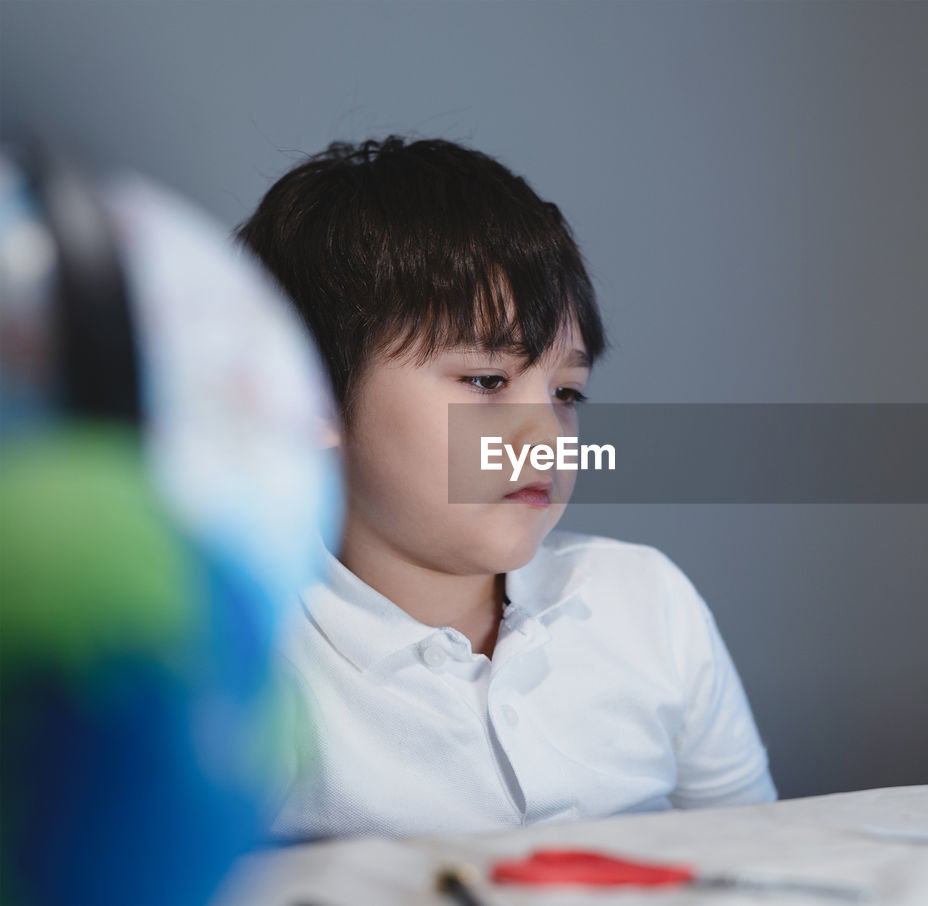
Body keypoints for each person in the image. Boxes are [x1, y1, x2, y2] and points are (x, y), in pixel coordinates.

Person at [236, 136, 776, 838]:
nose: (547, 435)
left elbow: (767, 856)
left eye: (566, 392)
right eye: (487, 382)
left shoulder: (647, 603)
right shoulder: (246, 665)